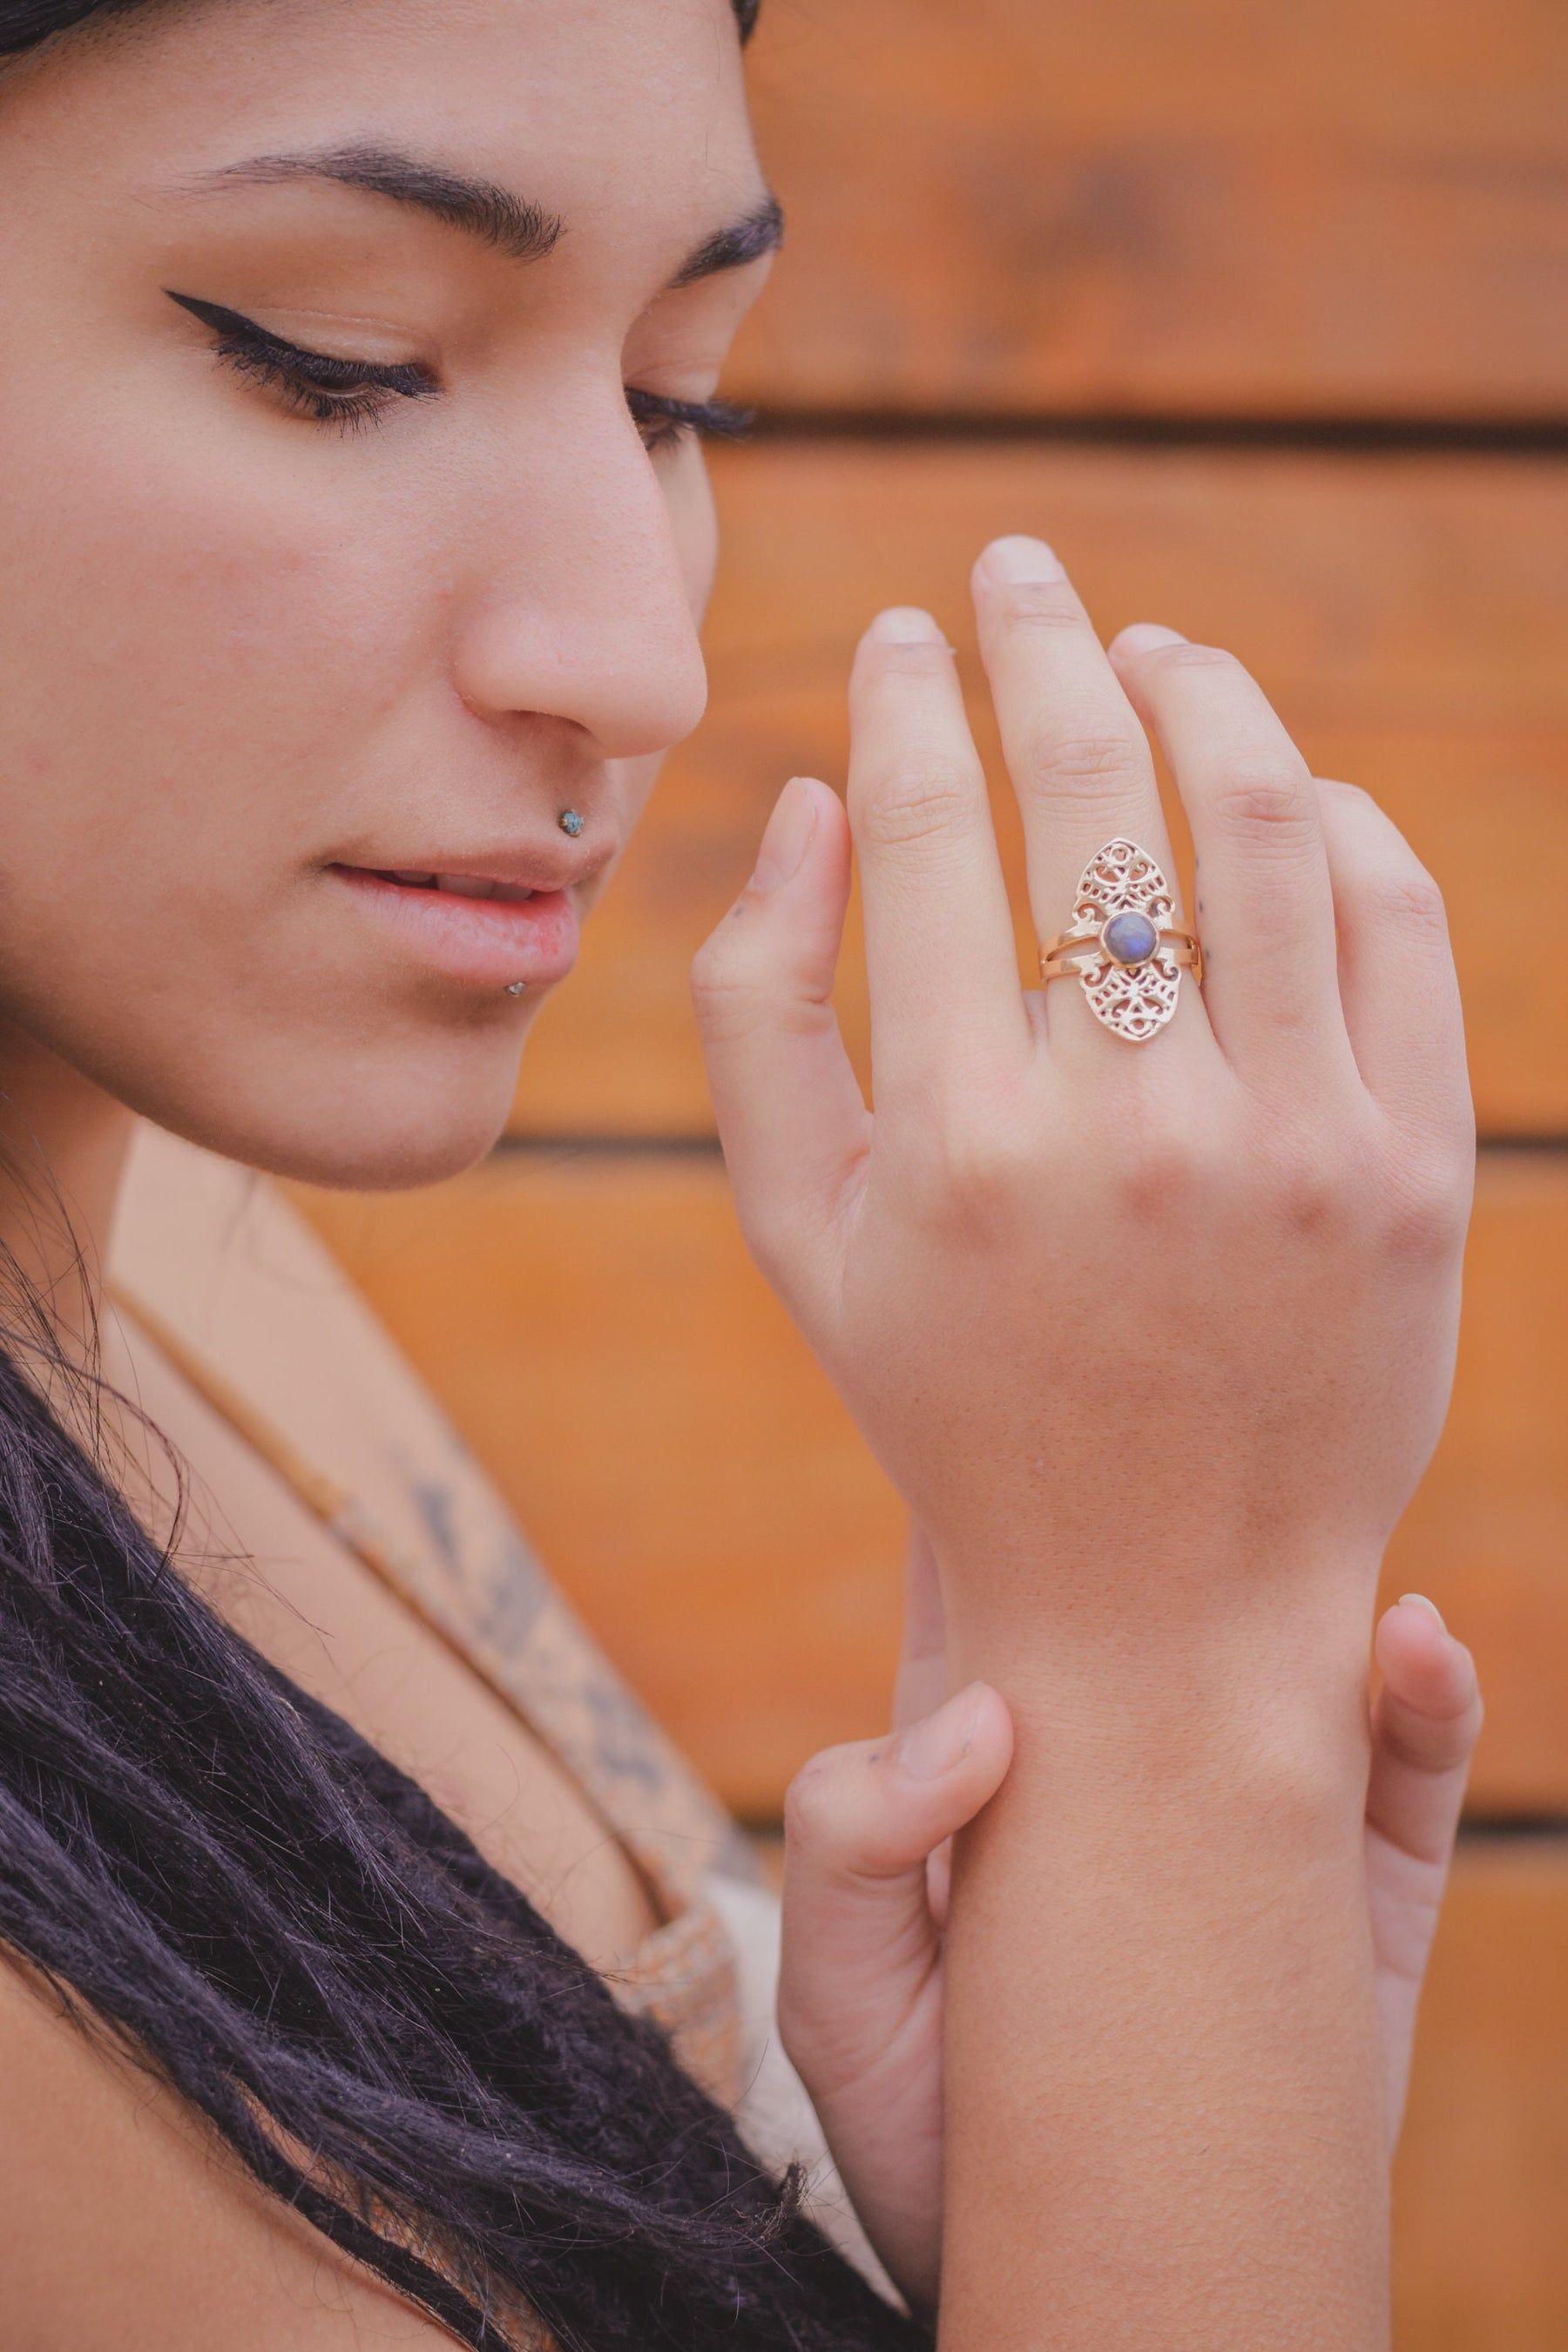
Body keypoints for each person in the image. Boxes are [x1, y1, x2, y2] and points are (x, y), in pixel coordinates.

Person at [0, 2, 1481, 2346]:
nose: (636, 649)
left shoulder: (161, 1230)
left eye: (679, 393)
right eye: (342, 359)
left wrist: (1107, 2105)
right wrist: (1182, 1707)